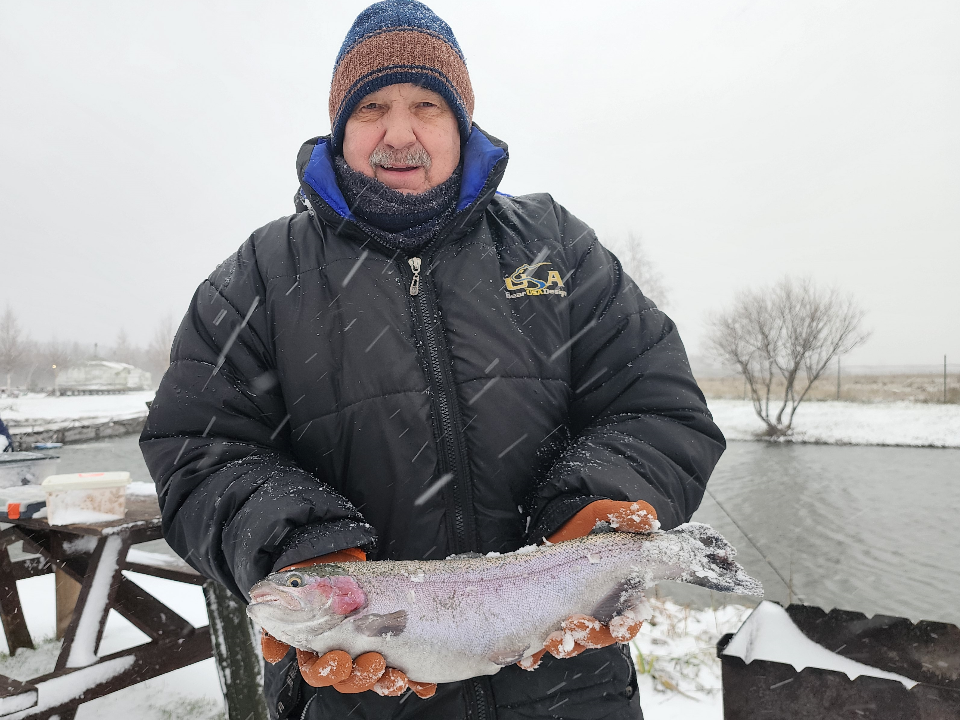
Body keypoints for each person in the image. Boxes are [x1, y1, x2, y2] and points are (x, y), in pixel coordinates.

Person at [140, 2, 725, 718]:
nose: (399, 133)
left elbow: (658, 405)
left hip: (572, 687)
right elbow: (198, 449)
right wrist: (300, 552)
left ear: (461, 123)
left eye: (426, 105)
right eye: (371, 108)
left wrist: (593, 518)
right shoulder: (257, 277)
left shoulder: (555, 247)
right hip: (353, 697)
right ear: (339, 126)